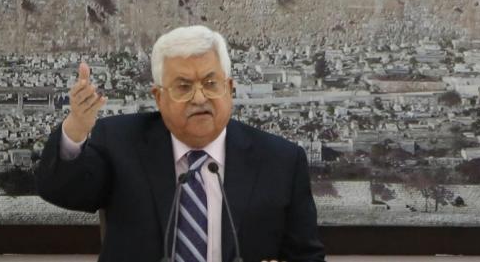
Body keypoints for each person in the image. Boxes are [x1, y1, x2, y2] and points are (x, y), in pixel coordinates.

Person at [36, 25, 324, 262]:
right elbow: (61, 190)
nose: (199, 98)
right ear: (159, 97)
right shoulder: (120, 143)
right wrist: (76, 129)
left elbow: (307, 256)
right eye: (183, 87)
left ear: (230, 89)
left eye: (211, 83)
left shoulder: (280, 160)